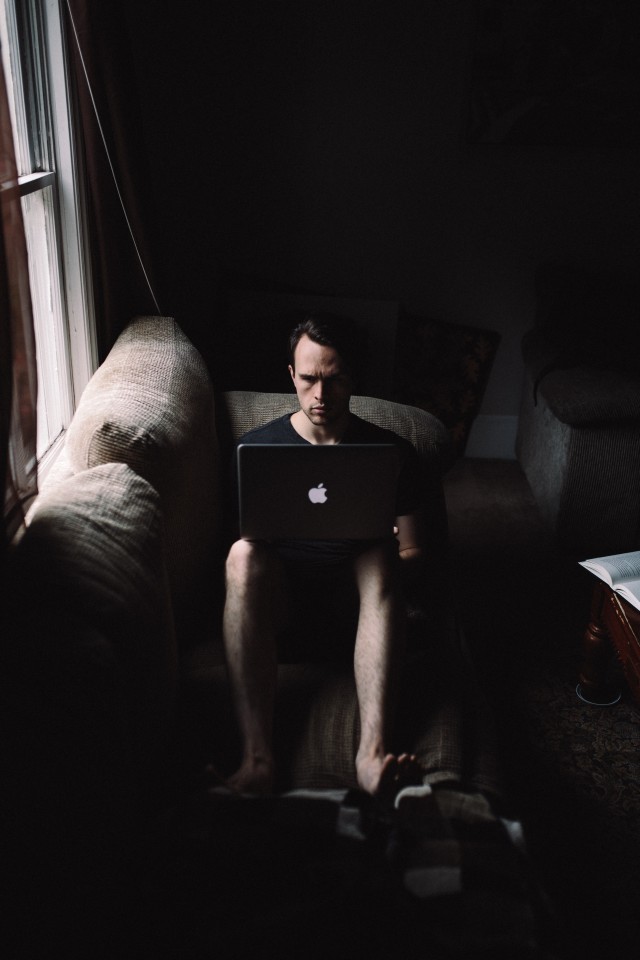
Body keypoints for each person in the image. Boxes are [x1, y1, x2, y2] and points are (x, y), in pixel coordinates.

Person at [222, 314, 425, 799]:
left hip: (361, 613)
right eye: (309, 379)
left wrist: (392, 548)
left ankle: (372, 757)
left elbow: (417, 550)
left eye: (333, 380)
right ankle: (257, 760)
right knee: (241, 554)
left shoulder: (391, 452)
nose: (320, 395)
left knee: (378, 556)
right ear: (291, 374)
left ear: (352, 378)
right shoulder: (256, 449)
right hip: (281, 612)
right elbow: (240, 559)